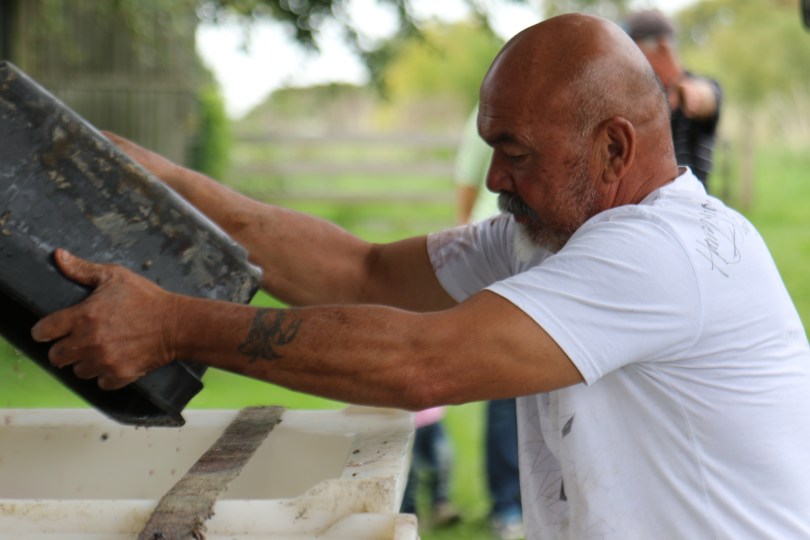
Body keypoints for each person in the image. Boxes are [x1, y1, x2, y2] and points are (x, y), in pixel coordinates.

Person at [31, 13, 810, 539]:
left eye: (517, 151)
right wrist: (134, 168)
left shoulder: (663, 253)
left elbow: (419, 362)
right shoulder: (548, 236)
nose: (497, 179)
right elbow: (359, 273)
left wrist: (172, 324)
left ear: (612, 149)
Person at [455, 105, 524, 540]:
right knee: (506, 387)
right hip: (499, 251)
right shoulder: (491, 108)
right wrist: (465, 246)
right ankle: (508, 506)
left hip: (548, 251)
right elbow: (470, 178)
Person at [623, 9, 722, 189]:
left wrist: (677, 81)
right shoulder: (625, 96)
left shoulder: (691, 85)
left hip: (691, 210)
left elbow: (704, 98)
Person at [400, 407, 461, 528]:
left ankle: (441, 504)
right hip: (404, 423)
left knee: (444, 459)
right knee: (410, 470)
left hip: (432, 419)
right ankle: (408, 514)